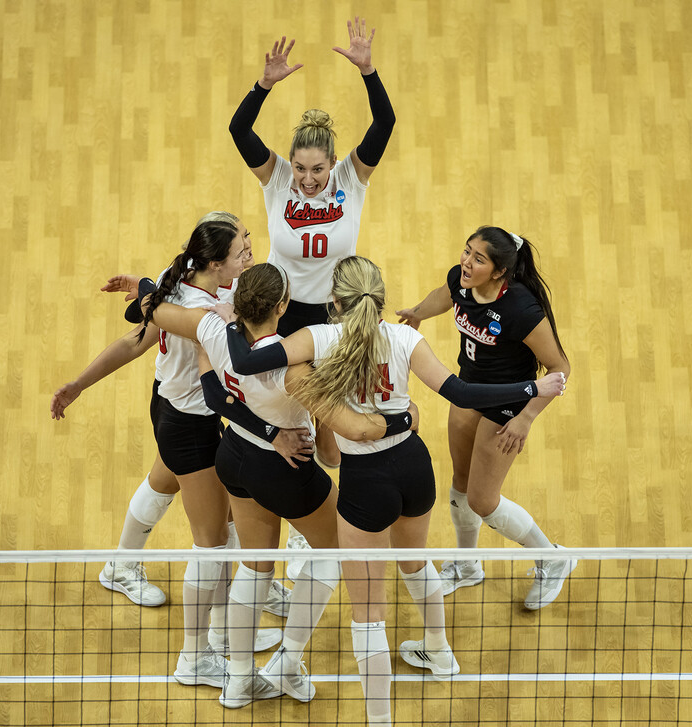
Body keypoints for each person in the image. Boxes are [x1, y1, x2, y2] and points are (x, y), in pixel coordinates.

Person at [223, 256, 566, 725]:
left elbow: (247, 361)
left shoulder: (318, 339)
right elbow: (463, 393)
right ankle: (439, 651)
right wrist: (532, 387)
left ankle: (380, 720)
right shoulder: (406, 338)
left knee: (368, 615)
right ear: (379, 297)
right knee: (415, 559)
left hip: (366, 483)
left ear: (334, 302)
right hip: (413, 467)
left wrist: (228, 322)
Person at [144, 262, 418, 709]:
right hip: (282, 469)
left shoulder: (213, 327)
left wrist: (142, 288)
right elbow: (332, 452)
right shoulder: (293, 366)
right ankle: (288, 662)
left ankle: (237, 680)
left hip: (232, 455)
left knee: (255, 568)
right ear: (283, 306)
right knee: (334, 554)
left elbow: (211, 391)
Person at [49, 215, 287, 688]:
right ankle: (201, 652)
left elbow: (137, 331)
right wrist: (80, 382)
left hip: (170, 406)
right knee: (214, 541)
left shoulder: (174, 279)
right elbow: (145, 329)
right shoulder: (201, 314)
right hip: (188, 425)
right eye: (243, 250)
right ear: (215, 264)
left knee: (164, 481)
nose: (251, 253)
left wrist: (142, 288)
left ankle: (120, 565)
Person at [228, 17, 395, 476]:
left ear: (333, 164)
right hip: (279, 310)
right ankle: (303, 510)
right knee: (288, 410)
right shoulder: (276, 178)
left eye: (316, 170)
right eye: (300, 168)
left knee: (329, 419)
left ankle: (335, 505)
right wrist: (263, 85)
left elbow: (386, 121)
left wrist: (368, 71)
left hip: (335, 314)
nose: (306, 179)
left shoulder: (351, 178)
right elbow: (239, 130)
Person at [396, 226, 574, 610]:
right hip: (470, 389)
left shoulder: (520, 309)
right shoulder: (462, 282)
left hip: (509, 401)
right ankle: (467, 565)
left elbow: (560, 368)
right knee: (460, 484)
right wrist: (418, 312)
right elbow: (444, 297)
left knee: (482, 499)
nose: (467, 261)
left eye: (479, 259)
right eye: (466, 251)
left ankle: (553, 557)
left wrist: (526, 419)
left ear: (498, 272)